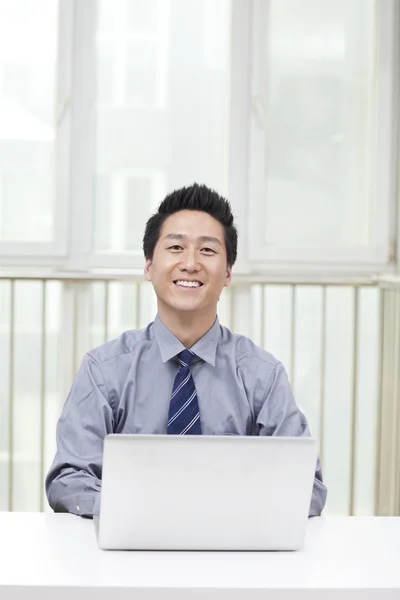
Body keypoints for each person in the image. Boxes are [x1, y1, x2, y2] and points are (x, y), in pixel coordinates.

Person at [45, 183, 327, 517]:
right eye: (176, 247)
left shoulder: (261, 376)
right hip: (127, 554)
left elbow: (306, 487)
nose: (190, 263)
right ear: (149, 266)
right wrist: (140, 513)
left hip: (232, 553)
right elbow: (69, 478)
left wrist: (216, 514)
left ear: (228, 273)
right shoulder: (105, 370)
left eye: (207, 251)